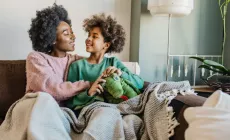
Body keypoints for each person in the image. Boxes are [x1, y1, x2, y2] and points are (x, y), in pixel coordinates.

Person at [66, 13, 144, 111]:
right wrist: (89, 93)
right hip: (89, 110)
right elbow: (68, 102)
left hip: (114, 109)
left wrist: (121, 73)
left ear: (106, 45)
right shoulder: (77, 66)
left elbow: (140, 83)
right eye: (89, 35)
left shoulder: (113, 62)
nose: (88, 39)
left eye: (94, 36)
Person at [26, 4, 101, 103]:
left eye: (72, 32)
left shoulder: (76, 60)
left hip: (60, 112)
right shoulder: (36, 58)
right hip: (36, 105)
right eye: (66, 33)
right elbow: (53, 89)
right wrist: (88, 84)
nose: (73, 37)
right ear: (52, 39)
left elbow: (98, 64)